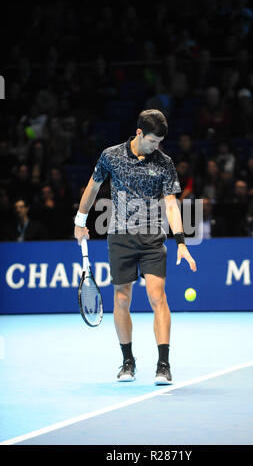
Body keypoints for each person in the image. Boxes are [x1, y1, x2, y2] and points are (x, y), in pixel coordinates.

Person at [74, 109, 197, 385]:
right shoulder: (111, 156)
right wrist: (80, 221)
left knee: (157, 297)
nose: (157, 147)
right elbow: (92, 188)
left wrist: (180, 243)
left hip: (153, 237)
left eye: (160, 142)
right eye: (153, 141)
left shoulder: (164, 162)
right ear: (140, 133)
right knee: (121, 299)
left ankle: (163, 364)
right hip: (120, 237)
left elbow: (170, 203)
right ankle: (127, 360)